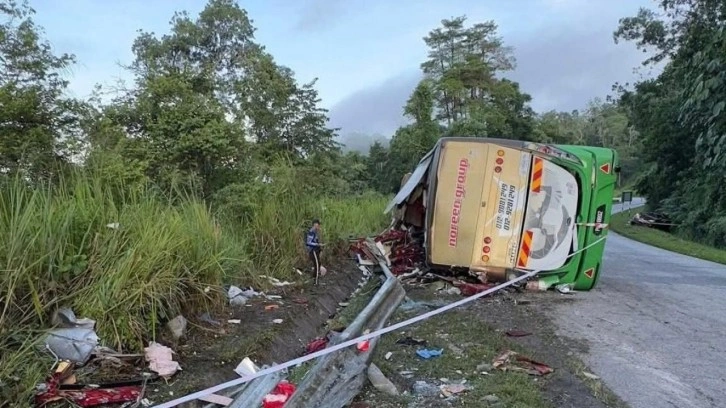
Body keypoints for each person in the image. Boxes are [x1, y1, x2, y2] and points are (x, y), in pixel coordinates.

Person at [306, 218, 326, 283]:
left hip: (316, 250)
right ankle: (315, 281)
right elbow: (308, 242)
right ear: (314, 224)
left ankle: (315, 279)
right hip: (313, 250)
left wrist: (320, 246)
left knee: (318, 264)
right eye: (318, 224)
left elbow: (316, 240)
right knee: (317, 265)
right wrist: (317, 244)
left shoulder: (316, 232)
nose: (319, 226)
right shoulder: (311, 232)